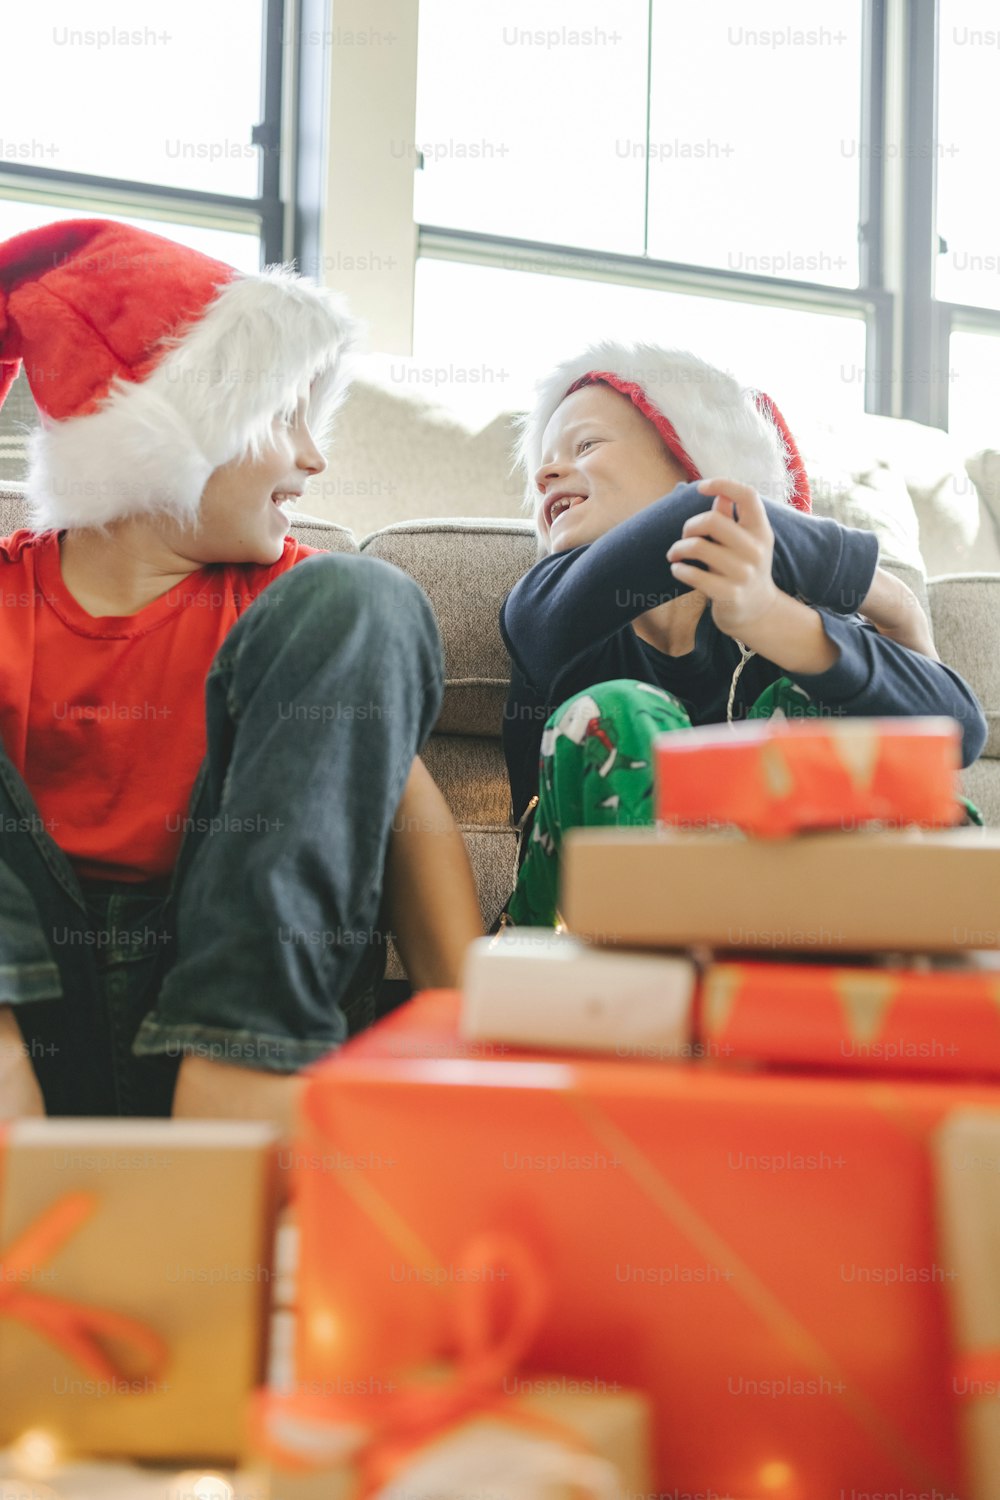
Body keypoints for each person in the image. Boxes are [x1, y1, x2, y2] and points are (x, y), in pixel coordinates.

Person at [0, 218, 483, 1132]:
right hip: (30, 1029)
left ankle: (242, 1064)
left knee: (364, 599)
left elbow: (400, 814)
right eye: (283, 415)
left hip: (230, 1008)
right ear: (165, 434)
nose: (315, 455)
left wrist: (471, 1048)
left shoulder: (297, 604)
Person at [500, 342, 988, 927]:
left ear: (692, 459)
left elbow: (956, 733)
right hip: (585, 960)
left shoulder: (771, 619)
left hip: (779, 930)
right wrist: (867, 580)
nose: (547, 471)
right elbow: (698, 512)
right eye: (545, 461)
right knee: (619, 710)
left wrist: (791, 622)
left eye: (586, 446)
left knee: (809, 709)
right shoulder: (545, 604)